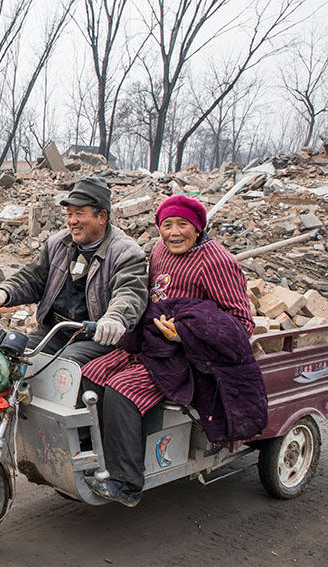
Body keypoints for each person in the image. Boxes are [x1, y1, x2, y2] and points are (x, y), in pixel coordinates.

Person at [82, 194, 267, 507]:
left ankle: (127, 481)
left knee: (122, 390)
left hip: (187, 356)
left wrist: (184, 334)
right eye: (167, 225)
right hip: (151, 343)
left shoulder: (217, 262)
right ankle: (102, 452)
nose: (174, 232)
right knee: (92, 373)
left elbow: (241, 322)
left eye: (183, 224)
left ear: (197, 228)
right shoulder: (158, 250)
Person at [0, 176, 148, 366]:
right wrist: (4, 292)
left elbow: (130, 292)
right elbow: (33, 277)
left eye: (79, 213)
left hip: (96, 337)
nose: (72, 221)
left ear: (102, 217)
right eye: (69, 214)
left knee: (64, 364)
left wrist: (115, 318)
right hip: (53, 331)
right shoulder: (58, 243)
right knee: (12, 355)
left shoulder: (126, 253)